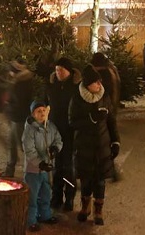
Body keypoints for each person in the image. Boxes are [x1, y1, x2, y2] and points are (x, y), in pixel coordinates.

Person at [69, 65, 120, 226]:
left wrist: (115, 141)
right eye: (96, 82)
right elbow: (72, 122)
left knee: (100, 181)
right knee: (86, 180)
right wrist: (91, 118)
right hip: (84, 146)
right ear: (88, 84)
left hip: (102, 145)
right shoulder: (77, 98)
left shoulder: (104, 96)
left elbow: (111, 121)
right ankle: (85, 207)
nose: (99, 85)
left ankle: (98, 210)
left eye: (99, 82)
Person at [45, 57, 81, 211]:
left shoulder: (76, 87)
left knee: (69, 168)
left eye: (61, 70)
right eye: (56, 69)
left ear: (69, 71)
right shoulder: (51, 86)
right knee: (56, 167)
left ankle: (70, 198)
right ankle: (56, 197)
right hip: (54, 132)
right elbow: (43, 104)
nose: (58, 72)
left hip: (69, 133)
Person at [22, 100, 62, 232]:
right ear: (33, 114)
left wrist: (55, 148)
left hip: (47, 168)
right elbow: (29, 150)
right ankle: (31, 220)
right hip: (33, 169)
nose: (42, 113)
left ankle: (45, 215)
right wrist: (40, 163)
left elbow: (58, 139)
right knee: (32, 195)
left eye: (44, 110)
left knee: (46, 192)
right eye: (38, 111)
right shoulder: (30, 130)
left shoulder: (50, 127)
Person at [0, 58, 34, 178]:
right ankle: (10, 170)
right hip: (14, 116)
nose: (10, 73)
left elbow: (20, 102)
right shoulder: (17, 81)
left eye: (11, 71)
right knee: (12, 144)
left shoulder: (23, 82)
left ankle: (32, 171)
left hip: (19, 117)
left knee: (22, 145)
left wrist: (9, 105)